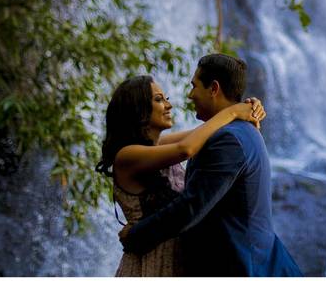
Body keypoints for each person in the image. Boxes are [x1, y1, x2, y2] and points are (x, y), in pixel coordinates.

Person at [119, 54, 303, 277]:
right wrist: (235, 111)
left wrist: (136, 236)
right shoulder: (231, 132)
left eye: (194, 86)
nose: (189, 95)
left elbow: (191, 206)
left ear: (214, 88)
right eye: (159, 99)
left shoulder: (228, 140)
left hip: (242, 265)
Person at [95, 74, 265, 276]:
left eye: (166, 98)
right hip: (150, 261)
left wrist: (249, 108)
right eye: (159, 99)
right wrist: (234, 111)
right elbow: (186, 148)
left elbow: (206, 131)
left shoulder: (159, 146)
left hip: (178, 257)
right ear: (137, 108)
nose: (169, 105)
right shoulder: (127, 155)